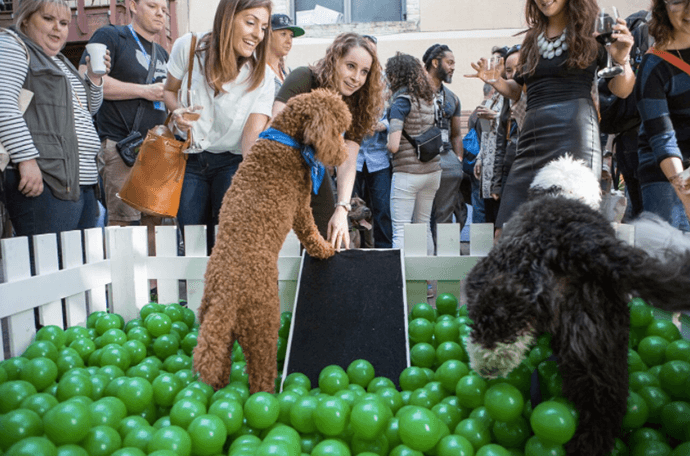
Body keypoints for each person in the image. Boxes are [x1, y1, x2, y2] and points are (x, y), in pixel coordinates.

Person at [467, 0, 635, 233]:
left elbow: (622, 90)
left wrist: (622, 59)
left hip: (576, 134)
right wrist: (496, 81)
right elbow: (518, 89)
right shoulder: (532, 38)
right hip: (532, 136)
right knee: (506, 230)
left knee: (570, 227)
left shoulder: (591, 32)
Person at [163, 0, 275, 251]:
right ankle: (194, 291)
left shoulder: (263, 77)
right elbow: (169, 91)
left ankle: (221, 291)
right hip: (189, 160)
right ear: (227, 18)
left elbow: (251, 138)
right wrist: (176, 111)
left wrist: (256, 182)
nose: (258, 34)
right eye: (250, 22)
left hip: (231, 162)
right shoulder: (187, 47)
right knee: (191, 243)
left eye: (264, 27)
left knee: (227, 243)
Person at [0, 0, 109, 239]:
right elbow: (3, 103)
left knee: (77, 268)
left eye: (63, 23)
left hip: (80, 181)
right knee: (48, 266)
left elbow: (87, 109)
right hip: (46, 179)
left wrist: (94, 78)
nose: (57, 29)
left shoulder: (60, 61)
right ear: (26, 19)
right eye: (48, 19)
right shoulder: (14, 45)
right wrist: (26, 159)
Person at [273, 32, 385, 251]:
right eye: (350, 66)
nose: (356, 78)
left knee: (328, 240)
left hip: (315, 173)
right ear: (335, 60)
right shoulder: (304, 77)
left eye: (364, 72)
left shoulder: (358, 103)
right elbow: (276, 128)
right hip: (280, 171)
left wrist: (342, 209)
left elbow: (348, 161)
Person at [78, 0, 170, 255]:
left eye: (164, 9)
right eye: (153, 6)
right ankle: (124, 290)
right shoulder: (110, 35)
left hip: (156, 149)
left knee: (154, 221)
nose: (160, 13)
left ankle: (153, 290)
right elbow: (89, 82)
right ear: (132, 5)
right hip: (121, 147)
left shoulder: (163, 53)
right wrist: (146, 91)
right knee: (123, 222)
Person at [635, 0, 690, 231]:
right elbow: (662, 139)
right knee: (671, 259)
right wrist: (685, 195)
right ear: (663, 7)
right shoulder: (654, 64)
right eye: (679, 0)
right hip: (667, 175)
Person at [386, 52, 442, 255]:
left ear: (394, 76)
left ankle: (399, 280)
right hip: (433, 171)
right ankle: (427, 284)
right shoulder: (428, 99)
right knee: (423, 226)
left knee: (401, 230)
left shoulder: (400, 102)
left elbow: (393, 145)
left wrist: (386, 140)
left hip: (407, 174)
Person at [422, 44, 467, 246]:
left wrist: (457, 160)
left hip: (447, 160)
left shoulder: (452, 98)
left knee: (444, 215)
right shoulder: (413, 92)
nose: (452, 67)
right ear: (435, 62)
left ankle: (443, 262)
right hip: (419, 161)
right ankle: (420, 264)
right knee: (421, 215)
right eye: (449, 62)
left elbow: (456, 134)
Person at [353, 34, 392, 248]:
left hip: (378, 155)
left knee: (382, 207)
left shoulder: (384, 80)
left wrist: (381, 125)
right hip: (353, 156)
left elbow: (392, 116)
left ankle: (385, 251)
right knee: (352, 207)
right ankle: (355, 249)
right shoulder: (351, 77)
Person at [473, 46, 508, 224]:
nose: (492, 65)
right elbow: (487, 132)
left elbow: (510, 121)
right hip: (487, 164)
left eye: (497, 61)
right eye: (491, 60)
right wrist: (479, 158)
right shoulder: (494, 96)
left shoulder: (508, 93)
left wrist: (493, 117)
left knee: (500, 215)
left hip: (501, 163)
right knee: (489, 216)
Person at [491, 45, 526, 204]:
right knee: (504, 226)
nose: (515, 74)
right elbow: (500, 143)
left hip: (533, 169)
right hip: (510, 170)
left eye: (519, 68)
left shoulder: (540, 95)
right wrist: (497, 183)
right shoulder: (506, 99)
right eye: (509, 70)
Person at [267, 13, 304, 97]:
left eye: (291, 36)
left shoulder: (289, 72)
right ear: (268, 36)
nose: (289, 41)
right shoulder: (257, 73)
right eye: (283, 34)